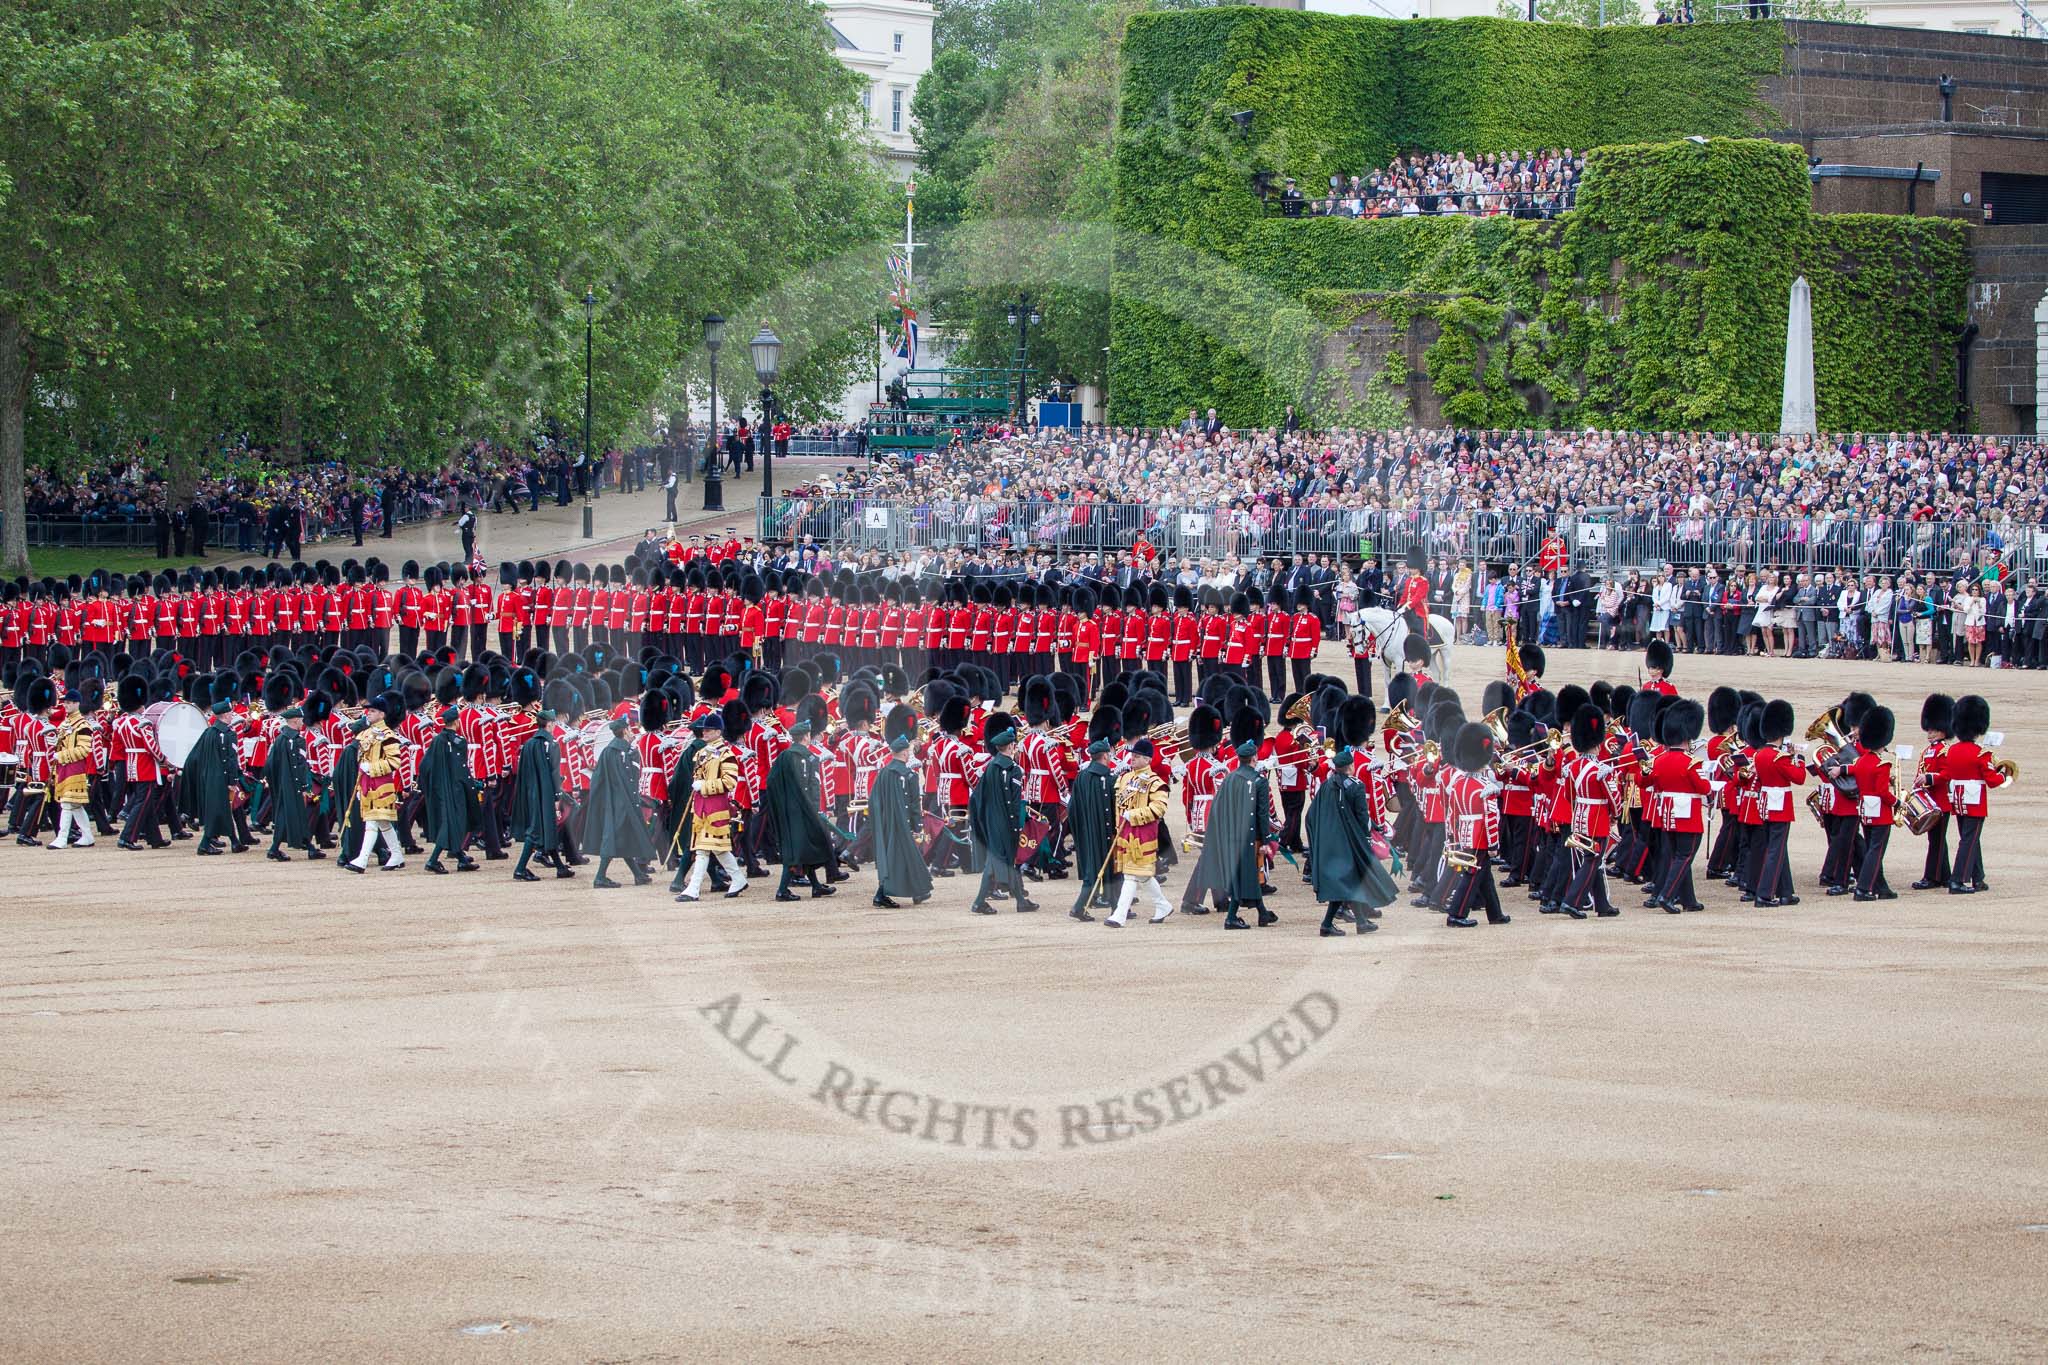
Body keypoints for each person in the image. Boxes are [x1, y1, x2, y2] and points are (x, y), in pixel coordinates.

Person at [1304, 747, 1398, 937]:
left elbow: (1311, 816)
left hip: (1330, 840)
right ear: (1350, 767)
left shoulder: (1327, 785)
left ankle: (1361, 921)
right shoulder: (1356, 785)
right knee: (1349, 881)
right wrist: (1367, 838)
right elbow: (1362, 816)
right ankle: (1327, 924)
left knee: (1353, 879)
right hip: (1350, 840)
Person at [1194, 738, 1274, 930]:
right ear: (1254, 758)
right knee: (1245, 874)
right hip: (1249, 835)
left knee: (1247, 875)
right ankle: (1231, 917)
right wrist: (1266, 839)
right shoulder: (1259, 781)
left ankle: (1263, 913)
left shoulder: (1230, 778)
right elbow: (1262, 813)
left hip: (1230, 833)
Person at [675, 714, 747, 902]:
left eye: (708, 730)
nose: (704, 732)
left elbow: (730, 782)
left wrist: (705, 786)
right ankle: (738, 878)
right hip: (701, 807)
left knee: (703, 849)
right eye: (704, 730)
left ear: (718, 732)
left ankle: (693, 888)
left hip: (715, 807)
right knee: (717, 848)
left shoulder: (727, 754)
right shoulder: (702, 753)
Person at [764, 718, 838, 900]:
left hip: (788, 810)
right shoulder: (811, 757)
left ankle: (815, 885)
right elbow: (814, 786)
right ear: (806, 737)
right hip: (806, 810)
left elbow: (771, 782)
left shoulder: (784, 757)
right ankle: (782, 890)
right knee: (799, 849)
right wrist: (816, 809)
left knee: (804, 847)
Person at [967, 721, 1035, 914]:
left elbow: (977, 796)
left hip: (990, 821)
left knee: (1002, 861)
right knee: (996, 863)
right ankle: (980, 902)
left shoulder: (991, 767)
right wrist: (1016, 825)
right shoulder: (1013, 769)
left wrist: (983, 819)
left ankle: (1020, 900)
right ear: (1011, 746)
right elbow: (1013, 802)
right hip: (1005, 823)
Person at [1104, 739, 1173, 927]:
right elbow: (1119, 805)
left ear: (1147, 759)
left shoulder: (1156, 783)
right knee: (1142, 874)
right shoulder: (1125, 778)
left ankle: (1119, 914)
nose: (1132, 758)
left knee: (1131, 875)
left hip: (1143, 835)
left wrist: (1133, 815)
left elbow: (1158, 809)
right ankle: (1162, 905)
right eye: (1132, 755)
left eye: (1137, 756)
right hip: (1125, 834)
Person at [1942, 694, 2005, 895]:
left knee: (1970, 838)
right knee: (1969, 840)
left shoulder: (1951, 751)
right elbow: (1993, 782)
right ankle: (1958, 880)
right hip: (1975, 800)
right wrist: (2005, 775)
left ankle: (1978, 878)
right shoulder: (1980, 753)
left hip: (1958, 799)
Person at [586, 715, 658, 887]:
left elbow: (598, 779)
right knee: (613, 837)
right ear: (625, 731)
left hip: (613, 801)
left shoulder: (609, 751)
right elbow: (631, 780)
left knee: (623, 836)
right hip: (623, 802)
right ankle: (600, 877)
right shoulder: (625, 752)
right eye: (630, 729)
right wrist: (635, 800)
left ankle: (638, 875)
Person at [868, 724, 933, 909]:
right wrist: (917, 825)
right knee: (903, 858)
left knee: (903, 858)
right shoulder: (909, 775)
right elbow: (913, 805)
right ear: (904, 753)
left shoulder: (884, 773)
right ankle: (881, 895)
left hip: (887, 823)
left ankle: (918, 892)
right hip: (902, 824)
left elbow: (874, 799)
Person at [510, 699, 572, 881]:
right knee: (536, 831)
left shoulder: (530, 743)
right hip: (545, 794)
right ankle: (520, 868)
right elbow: (554, 773)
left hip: (530, 792)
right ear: (550, 724)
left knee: (547, 828)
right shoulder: (551, 743)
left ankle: (560, 867)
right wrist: (557, 796)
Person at [344, 693, 407, 873]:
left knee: (372, 823)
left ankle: (362, 860)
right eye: (368, 711)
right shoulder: (365, 734)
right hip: (367, 783)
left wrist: (372, 768)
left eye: (372, 711)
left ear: (382, 714)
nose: (368, 714)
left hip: (381, 784)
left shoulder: (388, 735)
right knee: (383, 824)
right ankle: (396, 855)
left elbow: (394, 762)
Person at [420, 704, 481, 874]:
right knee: (454, 823)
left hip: (439, 788)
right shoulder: (459, 742)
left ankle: (461, 859)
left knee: (453, 822)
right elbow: (461, 768)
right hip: (455, 788)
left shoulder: (437, 739)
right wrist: (472, 784)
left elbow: (425, 765)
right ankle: (433, 860)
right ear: (456, 722)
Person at [180, 700, 246, 855]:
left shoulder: (210, 732)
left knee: (222, 810)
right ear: (224, 714)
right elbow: (229, 759)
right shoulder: (227, 734)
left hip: (208, 777)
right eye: (230, 713)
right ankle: (204, 845)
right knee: (218, 811)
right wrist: (232, 780)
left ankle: (235, 842)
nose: (232, 715)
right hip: (221, 778)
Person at [1848, 706, 1897, 901]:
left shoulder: (1860, 762)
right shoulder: (1881, 764)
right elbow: (1883, 792)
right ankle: (1863, 888)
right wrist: (1897, 801)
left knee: (1871, 849)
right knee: (1876, 851)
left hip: (1866, 810)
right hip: (1881, 812)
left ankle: (1881, 887)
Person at [263, 705, 322, 861]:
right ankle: (274, 848)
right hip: (293, 784)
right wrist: (304, 785)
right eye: (301, 720)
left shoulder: (281, 738)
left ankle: (310, 847)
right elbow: (300, 764)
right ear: (295, 720)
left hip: (282, 782)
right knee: (288, 815)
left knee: (298, 815)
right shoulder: (297, 739)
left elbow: (270, 763)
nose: (302, 722)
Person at [46, 680, 101, 850]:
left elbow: (84, 750)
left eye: (69, 703)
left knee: (67, 804)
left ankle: (62, 838)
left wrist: (61, 754)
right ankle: (87, 835)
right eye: (65, 702)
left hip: (75, 768)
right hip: (64, 767)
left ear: (77, 704)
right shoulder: (66, 723)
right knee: (75, 805)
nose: (66, 705)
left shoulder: (82, 725)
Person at [1066, 738, 1116, 922]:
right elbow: (1111, 808)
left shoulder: (1082, 777)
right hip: (1102, 832)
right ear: (1104, 756)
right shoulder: (1107, 779)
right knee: (1102, 870)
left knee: (1095, 869)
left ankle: (1117, 907)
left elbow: (1072, 808)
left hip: (1085, 830)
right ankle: (1080, 907)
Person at [1911, 693, 1954, 890]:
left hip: (1941, 803)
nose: (1930, 734)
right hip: (1929, 800)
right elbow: (1921, 771)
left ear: (1944, 730)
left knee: (1936, 841)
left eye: (1935, 730)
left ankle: (1933, 877)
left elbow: (1947, 773)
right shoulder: (1927, 751)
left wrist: (1929, 778)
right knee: (1936, 840)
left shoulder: (1945, 750)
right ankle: (1944, 875)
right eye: (1929, 730)